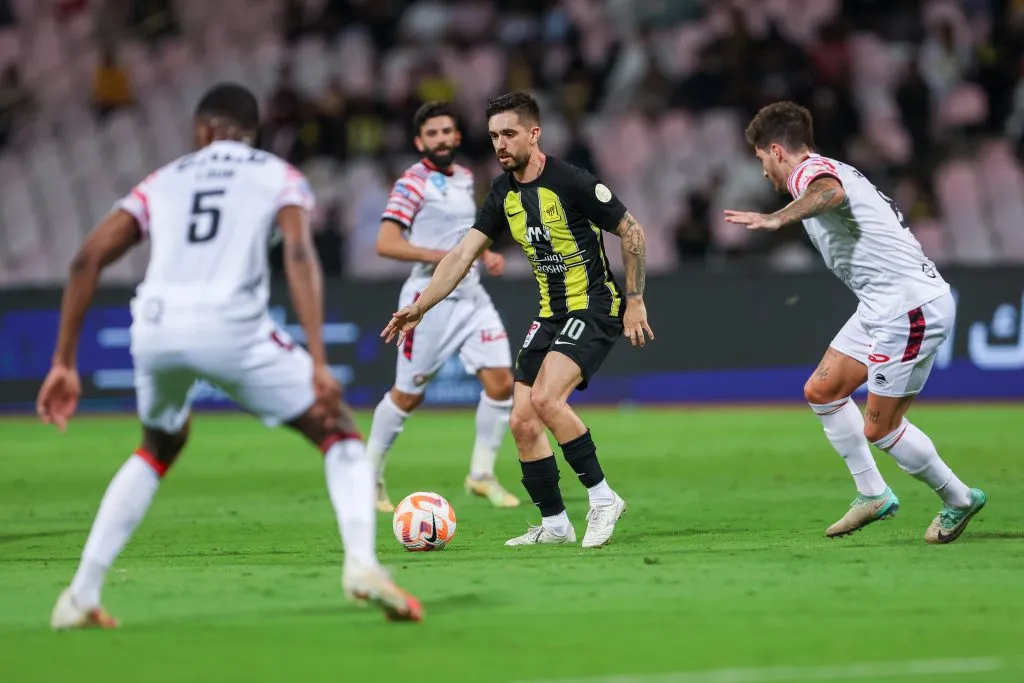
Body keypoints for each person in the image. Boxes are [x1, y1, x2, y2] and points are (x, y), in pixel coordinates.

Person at [38, 83, 422, 629]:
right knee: (336, 428)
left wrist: (63, 362)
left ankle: (79, 596)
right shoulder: (278, 175)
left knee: (158, 444)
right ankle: (362, 564)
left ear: (203, 131)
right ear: (253, 132)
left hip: (154, 326)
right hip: (229, 325)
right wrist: (316, 358)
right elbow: (297, 251)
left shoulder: (162, 180)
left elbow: (86, 260)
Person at [382, 92, 654, 548]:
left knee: (548, 401)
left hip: (594, 305)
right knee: (522, 422)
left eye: (509, 134)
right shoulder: (503, 193)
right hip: (550, 314)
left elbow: (632, 230)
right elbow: (463, 254)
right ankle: (555, 524)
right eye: (493, 136)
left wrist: (636, 298)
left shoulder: (571, 181)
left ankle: (604, 499)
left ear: (534, 133)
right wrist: (422, 304)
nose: (500, 144)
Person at [724, 101, 985, 544]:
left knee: (880, 428)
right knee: (822, 391)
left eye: (762, 159)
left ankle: (959, 498)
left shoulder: (811, 173)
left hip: (910, 309)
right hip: (880, 306)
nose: (764, 170)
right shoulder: (827, 168)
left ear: (776, 150)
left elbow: (831, 193)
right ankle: (872, 494)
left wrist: (776, 218)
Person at [369, 101, 519, 512]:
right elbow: (386, 243)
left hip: (471, 295)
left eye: (446, 132)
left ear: (456, 136)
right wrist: (447, 258)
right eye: (431, 134)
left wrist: (481, 253)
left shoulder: (466, 177)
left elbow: (466, 234)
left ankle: (481, 474)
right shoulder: (411, 183)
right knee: (407, 395)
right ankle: (368, 477)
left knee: (502, 384)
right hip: (428, 298)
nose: (440, 139)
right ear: (420, 141)